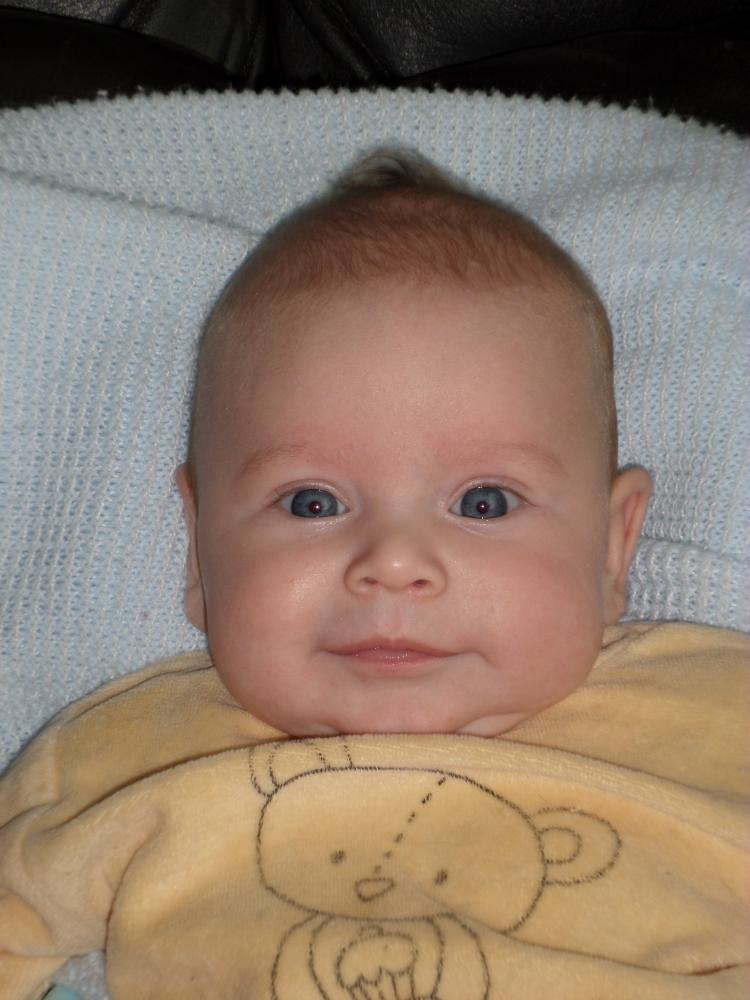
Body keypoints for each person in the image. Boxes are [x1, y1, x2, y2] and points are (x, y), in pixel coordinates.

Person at [1, 153, 747, 999]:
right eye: (311, 503)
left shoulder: (718, 721)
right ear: (199, 552)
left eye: (485, 502)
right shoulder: (113, 764)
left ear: (612, 549)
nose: (393, 563)